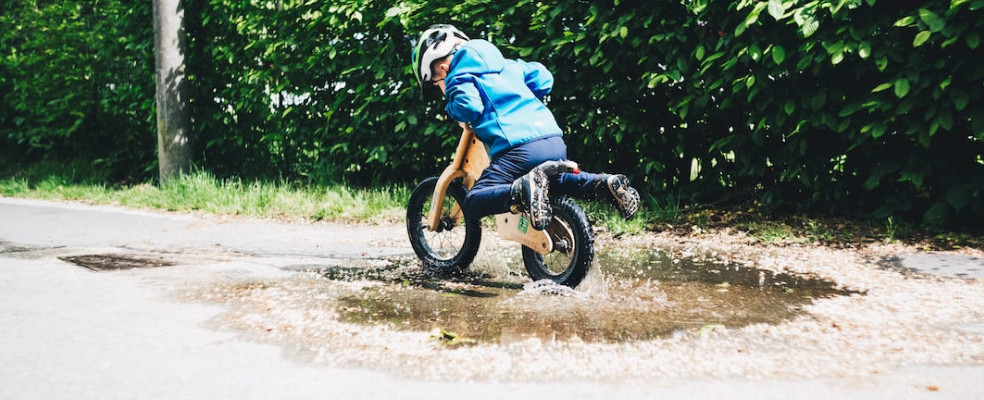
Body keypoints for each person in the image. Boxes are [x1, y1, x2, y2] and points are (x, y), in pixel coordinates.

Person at [411, 24, 640, 230]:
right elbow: (544, 79)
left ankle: (520, 191)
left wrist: (451, 108)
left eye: (435, 83)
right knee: (556, 183)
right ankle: (604, 184)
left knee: (473, 201)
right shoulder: (508, 66)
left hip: (517, 149)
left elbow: (469, 106)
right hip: (552, 140)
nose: (440, 88)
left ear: (442, 68)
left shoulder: (458, 76)